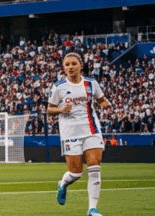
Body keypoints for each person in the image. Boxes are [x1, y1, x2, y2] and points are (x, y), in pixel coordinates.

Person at [48, 52, 111, 216]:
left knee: (95, 166)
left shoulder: (91, 84)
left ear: (80, 65)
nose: (70, 67)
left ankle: (92, 208)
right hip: (70, 132)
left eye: (73, 64)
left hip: (91, 129)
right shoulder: (59, 87)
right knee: (76, 173)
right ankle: (62, 184)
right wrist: (61, 109)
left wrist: (105, 104)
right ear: (63, 67)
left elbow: (101, 99)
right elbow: (49, 109)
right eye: (67, 64)